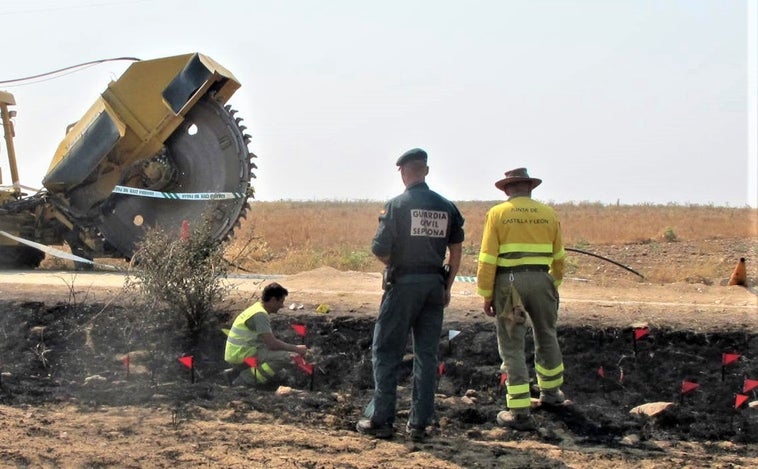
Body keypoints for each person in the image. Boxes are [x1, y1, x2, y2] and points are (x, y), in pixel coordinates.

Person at [356, 148, 465, 441]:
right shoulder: (447, 207)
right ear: (426, 171)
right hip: (434, 286)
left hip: (403, 286)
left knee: (386, 351)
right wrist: (448, 286)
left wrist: (395, 266)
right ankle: (420, 424)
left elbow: (380, 249)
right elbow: (456, 251)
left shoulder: (397, 206)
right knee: (427, 355)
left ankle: (381, 419)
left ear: (403, 172)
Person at [476, 167, 568, 431]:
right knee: (547, 334)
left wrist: (486, 293)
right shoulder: (548, 214)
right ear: (530, 188)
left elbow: (488, 258)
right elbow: (559, 257)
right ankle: (551, 394)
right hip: (542, 280)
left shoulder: (497, 214)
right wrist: (553, 284)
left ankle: (519, 410)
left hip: (510, 284)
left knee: (512, 344)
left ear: (506, 189)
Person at [223, 282, 309, 386]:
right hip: (242, 354)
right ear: (273, 300)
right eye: (281, 301)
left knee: (277, 366)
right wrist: (296, 349)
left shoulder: (256, 308)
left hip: (239, 352)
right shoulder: (260, 315)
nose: (282, 306)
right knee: (291, 358)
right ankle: (244, 380)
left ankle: (234, 373)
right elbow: (272, 344)